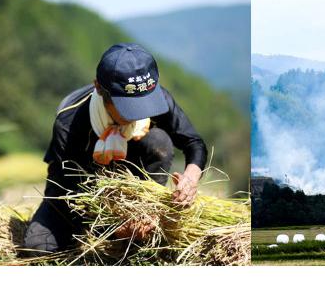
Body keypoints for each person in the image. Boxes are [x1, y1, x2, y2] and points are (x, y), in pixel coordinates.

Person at [23, 43, 208, 254]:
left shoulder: (156, 97)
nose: (139, 114)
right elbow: (68, 190)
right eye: (129, 107)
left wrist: (191, 177)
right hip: (78, 192)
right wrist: (113, 227)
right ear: (99, 88)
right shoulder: (70, 120)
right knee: (39, 246)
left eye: (144, 103)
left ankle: (147, 216)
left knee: (158, 141)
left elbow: (194, 142)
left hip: (135, 193)